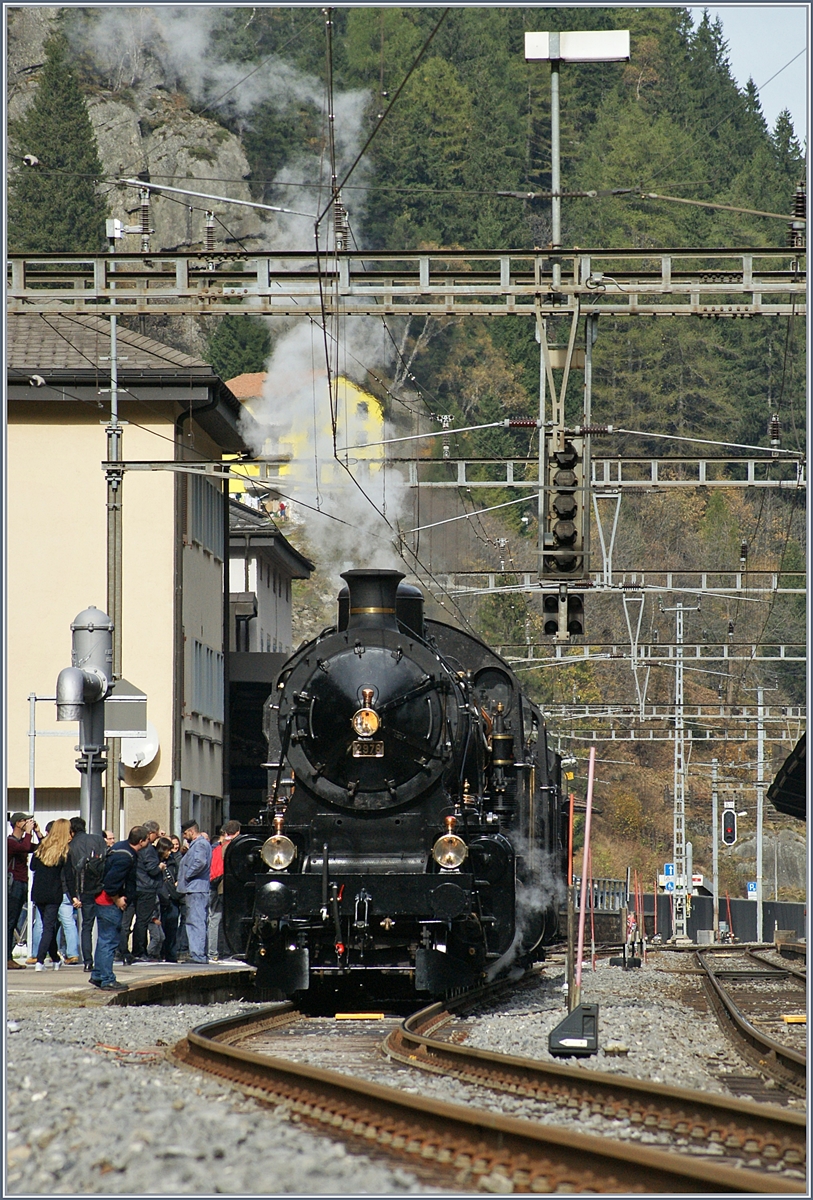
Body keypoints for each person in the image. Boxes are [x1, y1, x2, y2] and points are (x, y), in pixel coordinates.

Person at [90, 826, 149, 992]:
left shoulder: (119, 848)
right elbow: (110, 883)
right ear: (141, 841)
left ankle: (98, 975)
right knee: (109, 940)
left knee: (104, 939)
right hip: (108, 902)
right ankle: (107, 979)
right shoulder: (125, 857)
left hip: (101, 899)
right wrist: (117, 899)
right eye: (146, 840)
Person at [30, 819, 76, 971]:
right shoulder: (64, 851)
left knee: (48, 925)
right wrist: (74, 896)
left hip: (38, 891)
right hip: (54, 892)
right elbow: (69, 876)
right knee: (49, 927)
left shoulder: (41, 847)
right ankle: (40, 960)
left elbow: (32, 866)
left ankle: (55, 958)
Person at [66, 816, 107, 972]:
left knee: (86, 926)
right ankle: (105, 958)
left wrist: (74, 894)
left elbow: (70, 872)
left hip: (83, 889)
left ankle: (88, 961)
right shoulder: (98, 840)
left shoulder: (71, 846)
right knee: (105, 925)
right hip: (101, 887)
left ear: (72, 830)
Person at [7, 813, 41, 969]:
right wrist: (28, 832)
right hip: (13, 884)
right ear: (17, 823)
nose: (28, 823)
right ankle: (6, 957)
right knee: (10, 921)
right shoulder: (9, 842)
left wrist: (38, 833)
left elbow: (41, 848)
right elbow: (25, 848)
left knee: (13, 921)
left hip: (22, 883)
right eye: (24, 821)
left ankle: (8, 956)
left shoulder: (23, 841)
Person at [176, 820, 212, 964]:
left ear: (191, 831)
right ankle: (198, 953)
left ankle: (197, 955)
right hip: (197, 888)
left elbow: (200, 862)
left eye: (185, 833)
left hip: (196, 888)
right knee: (196, 920)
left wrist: (187, 875)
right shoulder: (199, 844)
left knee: (195, 921)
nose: (184, 837)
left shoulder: (200, 844)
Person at [208, 820, 241, 961]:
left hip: (217, 887)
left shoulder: (218, 848)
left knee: (215, 919)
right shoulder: (235, 848)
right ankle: (229, 950)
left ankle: (213, 951)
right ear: (238, 832)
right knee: (230, 920)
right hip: (230, 888)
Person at [131, 820, 162, 961]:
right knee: (142, 921)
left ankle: (132, 950)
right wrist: (160, 867)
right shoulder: (148, 849)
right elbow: (152, 869)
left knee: (134, 921)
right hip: (147, 887)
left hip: (135, 886)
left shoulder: (134, 847)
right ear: (150, 834)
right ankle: (140, 951)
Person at [155, 836, 180, 962]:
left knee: (172, 928)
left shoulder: (172, 861)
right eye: (168, 850)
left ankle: (171, 954)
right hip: (160, 898)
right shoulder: (155, 861)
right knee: (159, 929)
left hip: (172, 898)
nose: (170, 853)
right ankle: (158, 953)